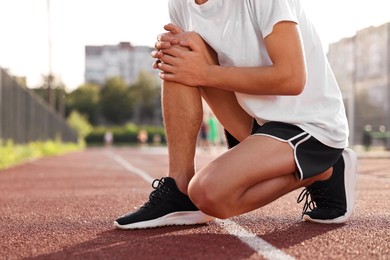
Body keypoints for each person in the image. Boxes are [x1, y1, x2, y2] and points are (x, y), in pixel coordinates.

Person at [114, 0, 357, 230]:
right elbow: (192, 66)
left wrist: (204, 73)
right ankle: (178, 189)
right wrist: (186, 64)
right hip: (258, 121)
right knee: (177, 51)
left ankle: (326, 169)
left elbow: (292, 78)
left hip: (309, 125)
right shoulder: (181, 3)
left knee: (208, 193)